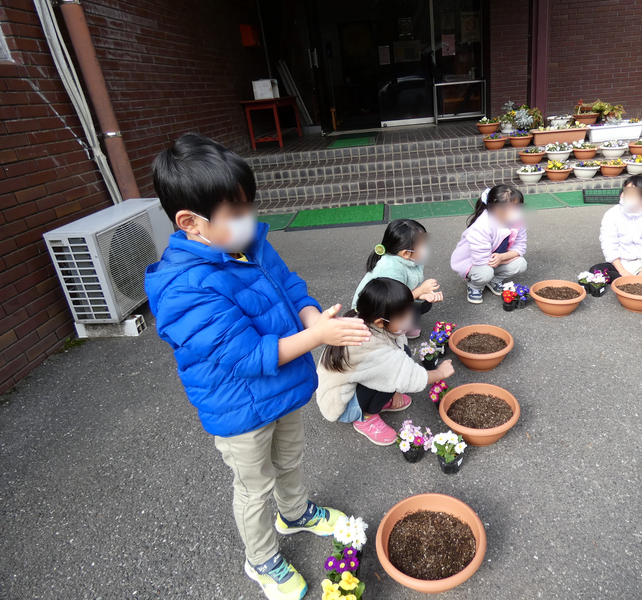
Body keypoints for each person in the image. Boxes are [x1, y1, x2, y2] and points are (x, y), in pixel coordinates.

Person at [144, 133, 372, 600]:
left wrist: (313, 318)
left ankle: (295, 513)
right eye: (236, 211)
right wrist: (318, 337)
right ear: (190, 222)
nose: (249, 218)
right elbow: (247, 357)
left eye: (249, 205)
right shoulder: (183, 287)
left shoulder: (248, 244)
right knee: (254, 486)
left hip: (280, 388)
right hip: (239, 409)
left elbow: (291, 285)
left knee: (290, 458)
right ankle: (261, 559)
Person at [317, 278, 455, 445]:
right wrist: (440, 373)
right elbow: (409, 375)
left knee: (403, 353)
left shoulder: (364, 318)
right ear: (380, 322)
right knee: (390, 374)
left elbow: (397, 354)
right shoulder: (368, 346)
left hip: (351, 382)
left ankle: (381, 399)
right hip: (341, 404)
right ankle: (366, 418)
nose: (410, 318)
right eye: (403, 316)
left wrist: (395, 391)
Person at [352, 219, 443, 338]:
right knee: (416, 305)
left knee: (425, 303)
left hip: (396, 300)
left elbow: (406, 289)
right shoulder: (390, 269)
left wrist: (422, 294)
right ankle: (392, 329)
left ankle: (402, 324)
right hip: (375, 311)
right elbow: (391, 302)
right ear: (405, 253)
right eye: (422, 245)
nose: (426, 248)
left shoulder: (413, 259)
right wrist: (420, 290)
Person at [451, 185, 528, 304]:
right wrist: (501, 259)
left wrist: (502, 257)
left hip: (496, 258)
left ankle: (494, 280)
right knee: (485, 272)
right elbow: (480, 260)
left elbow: (520, 247)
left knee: (521, 264)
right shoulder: (482, 226)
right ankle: (474, 286)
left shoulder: (517, 222)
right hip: (474, 263)